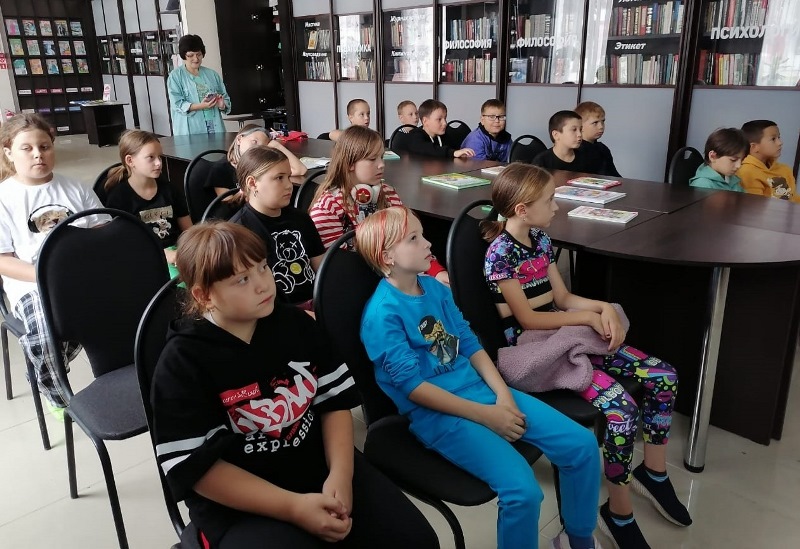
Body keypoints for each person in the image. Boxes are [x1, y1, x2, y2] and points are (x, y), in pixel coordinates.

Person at [151, 221, 438, 549]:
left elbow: (334, 403)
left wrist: (341, 474)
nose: (263, 284)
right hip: (241, 503)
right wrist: (293, 507)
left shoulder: (296, 325)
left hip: (318, 466)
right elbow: (197, 469)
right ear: (204, 296)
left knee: (416, 540)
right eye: (242, 279)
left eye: (262, 267)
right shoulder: (182, 362)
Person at [357, 207, 602, 549]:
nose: (428, 243)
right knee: (523, 492)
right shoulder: (382, 315)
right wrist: (488, 416)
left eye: (422, 234)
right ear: (387, 257)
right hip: (440, 414)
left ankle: (577, 539)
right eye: (414, 238)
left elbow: (470, 344)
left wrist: (503, 395)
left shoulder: (435, 289)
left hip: (481, 391)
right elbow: (413, 388)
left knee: (582, 446)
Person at [483, 163, 692, 549]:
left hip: (563, 330)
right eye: (550, 200)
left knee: (664, 376)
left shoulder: (540, 238)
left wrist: (603, 307)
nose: (556, 206)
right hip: (537, 347)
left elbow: (562, 298)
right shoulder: (500, 254)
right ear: (522, 209)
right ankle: (618, 511)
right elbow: (528, 319)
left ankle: (654, 473)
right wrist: (588, 317)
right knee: (622, 410)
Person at [0, 114, 108, 418]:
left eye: (45, 146)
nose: (38, 154)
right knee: (46, 334)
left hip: (82, 276)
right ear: (9, 152)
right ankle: (58, 396)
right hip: (33, 283)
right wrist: (48, 277)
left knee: (129, 313)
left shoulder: (76, 189)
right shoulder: (4, 198)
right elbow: (3, 260)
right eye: (27, 148)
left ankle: (50, 365)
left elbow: (104, 233)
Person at [308, 125, 449, 284]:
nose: (381, 164)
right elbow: (335, 268)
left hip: (396, 278)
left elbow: (412, 239)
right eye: (372, 159)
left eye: (381, 157)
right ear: (350, 163)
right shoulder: (328, 207)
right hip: (358, 284)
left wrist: (436, 272)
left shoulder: (387, 193)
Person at [230, 146, 325, 308]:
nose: (289, 185)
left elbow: (321, 267)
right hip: (274, 311)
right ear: (252, 183)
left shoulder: (301, 219)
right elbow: (249, 295)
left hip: (316, 302)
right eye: (279, 178)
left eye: (288, 176)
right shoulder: (239, 232)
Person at [104, 130, 191, 279]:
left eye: (160, 157)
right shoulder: (119, 198)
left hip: (177, 254)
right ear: (130, 161)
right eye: (151, 157)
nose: (159, 163)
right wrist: (164, 254)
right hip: (143, 257)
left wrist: (190, 252)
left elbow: (188, 230)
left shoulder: (170, 190)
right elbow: (123, 243)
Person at [205, 124, 307, 198]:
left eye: (262, 147)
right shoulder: (220, 169)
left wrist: (277, 145)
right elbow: (228, 204)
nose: (256, 149)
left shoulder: (262, 167)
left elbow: (300, 170)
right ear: (239, 139)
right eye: (254, 142)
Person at [167, 34, 231, 135]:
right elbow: (177, 104)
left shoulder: (212, 74)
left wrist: (222, 105)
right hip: (191, 129)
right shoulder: (175, 76)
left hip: (214, 125)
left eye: (199, 54)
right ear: (184, 55)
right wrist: (201, 106)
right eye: (190, 55)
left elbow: (225, 98)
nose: (196, 59)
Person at [737, 120, 798, 202]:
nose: (780, 143)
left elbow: (793, 198)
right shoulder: (747, 172)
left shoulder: (785, 169)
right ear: (754, 147)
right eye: (773, 139)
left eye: (779, 137)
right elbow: (755, 206)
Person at [394, 99, 475, 158]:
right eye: (439, 119)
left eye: (445, 118)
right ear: (425, 121)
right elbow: (428, 149)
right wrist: (453, 153)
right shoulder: (415, 136)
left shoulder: (445, 134)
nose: (445, 123)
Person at [532, 111, 601, 173]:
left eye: (580, 129)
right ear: (556, 135)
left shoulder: (587, 156)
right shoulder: (542, 161)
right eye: (574, 130)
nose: (579, 134)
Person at [574, 102, 620, 177]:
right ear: (580, 126)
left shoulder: (603, 149)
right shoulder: (575, 150)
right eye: (595, 123)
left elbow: (614, 175)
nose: (601, 126)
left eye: (603, 121)